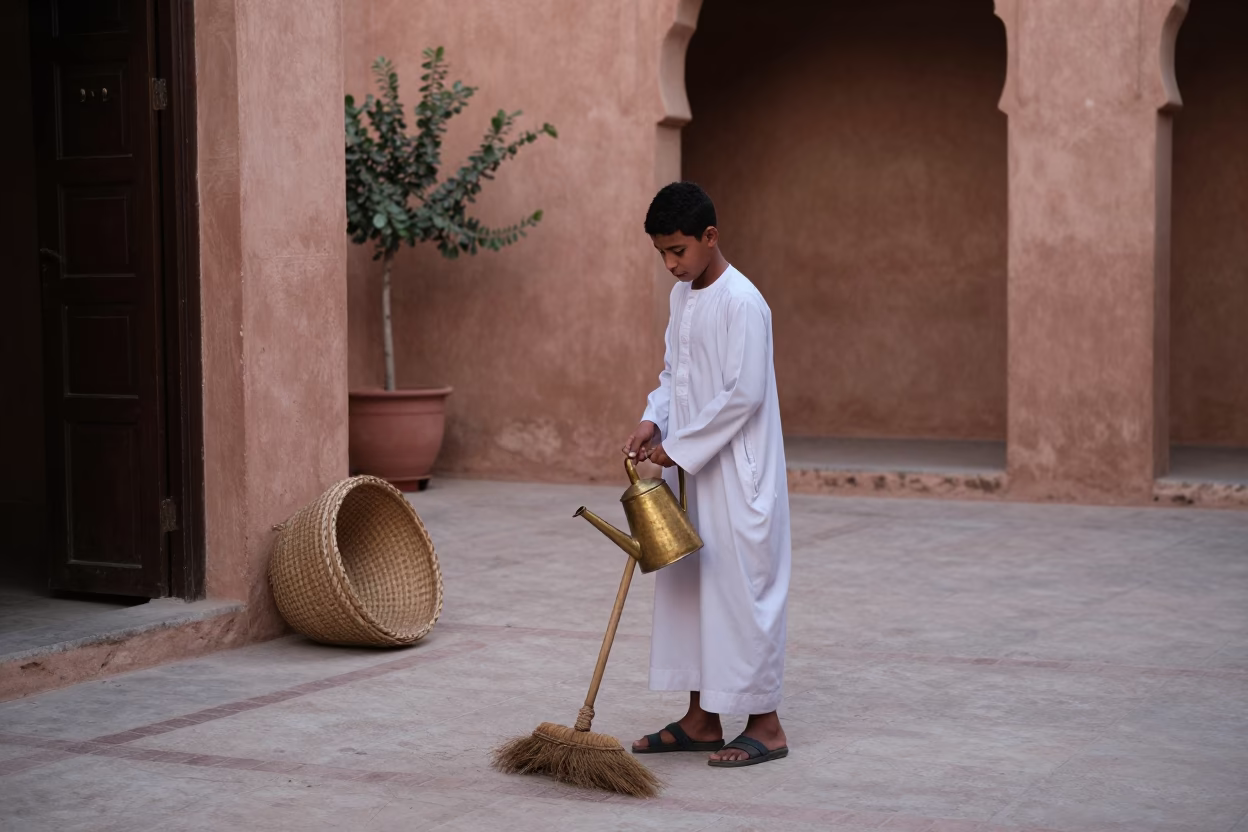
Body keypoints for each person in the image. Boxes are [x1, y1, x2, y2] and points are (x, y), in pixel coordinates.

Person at [623, 181, 791, 767]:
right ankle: (701, 719)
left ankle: (766, 725)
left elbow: (742, 394)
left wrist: (681, 447)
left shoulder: (744, 302)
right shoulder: (684, 298)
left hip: (738, 477)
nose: (671, 264)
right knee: (693, 589)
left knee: (741, 593)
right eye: (662, 254)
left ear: (709, 237)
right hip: (694, 470)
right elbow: (676, 373)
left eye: (678, 251)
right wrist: (654, 419)